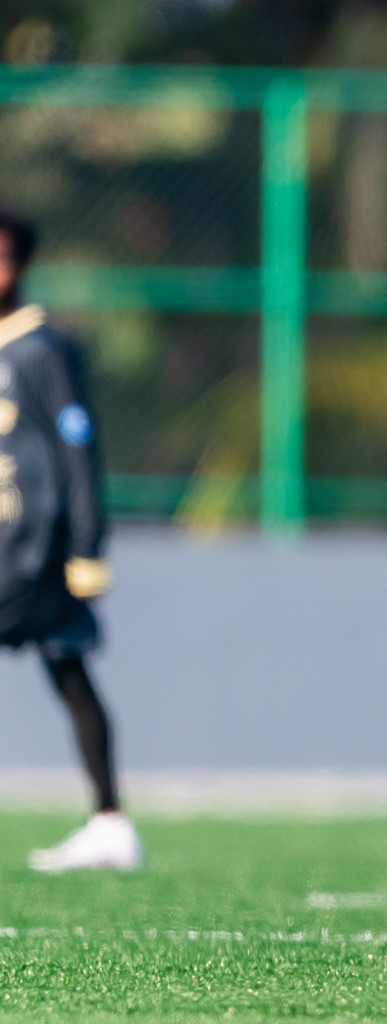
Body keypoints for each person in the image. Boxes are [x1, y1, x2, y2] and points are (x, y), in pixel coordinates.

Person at [0, 210, 141, 873]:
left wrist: (87, 545)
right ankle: (110, 820)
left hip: (34, 549)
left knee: (70, 669)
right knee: (68, 669)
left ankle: (111, 820)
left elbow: (77, 447)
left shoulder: (41, 349)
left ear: (19, 266)